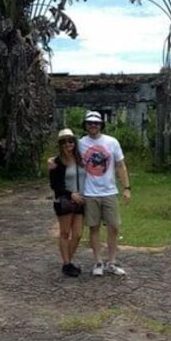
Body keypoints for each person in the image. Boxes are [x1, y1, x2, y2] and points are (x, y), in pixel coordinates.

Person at [79, 110, 132, 277]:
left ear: (101, 124)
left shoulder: (111, 142)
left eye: (96, 123)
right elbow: (66, 156)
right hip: (90, 192)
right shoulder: (80, 143)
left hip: (109, 191)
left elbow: (121, 165)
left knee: (114, 226)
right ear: (86, 125)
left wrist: (126, 188)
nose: (93, 125)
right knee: (93, 227)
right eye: (90, 123)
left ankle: (111, 261)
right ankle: (98, 261)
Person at [49, 128, 86, 277]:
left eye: (70, 141)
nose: (68, 144)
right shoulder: (56, 162)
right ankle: (67, 263)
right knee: (65, 232)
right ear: (60, 144)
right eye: (64, 142)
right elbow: (54, 185)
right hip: (64, 200)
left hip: (80, 200)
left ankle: (68, 262)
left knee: (77, 234)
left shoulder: (80, 159)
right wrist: (71, 194)